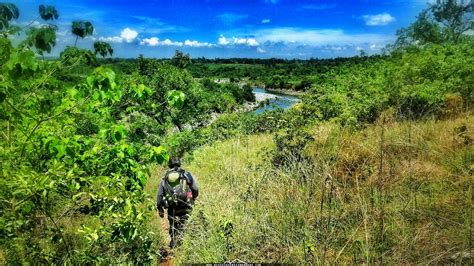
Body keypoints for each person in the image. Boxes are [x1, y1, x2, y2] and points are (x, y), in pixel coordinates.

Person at [156, 157, 199, 248]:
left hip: (172, 207)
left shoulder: (164, 178)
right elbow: (195, 189)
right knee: (185, 222)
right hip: (185, 204)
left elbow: (160, 195)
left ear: (169, 165)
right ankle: (185, 242)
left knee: (173, 224)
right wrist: (193, 198)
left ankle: (173, 242)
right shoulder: (186, 174)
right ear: (179, 163)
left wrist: (160, 209)